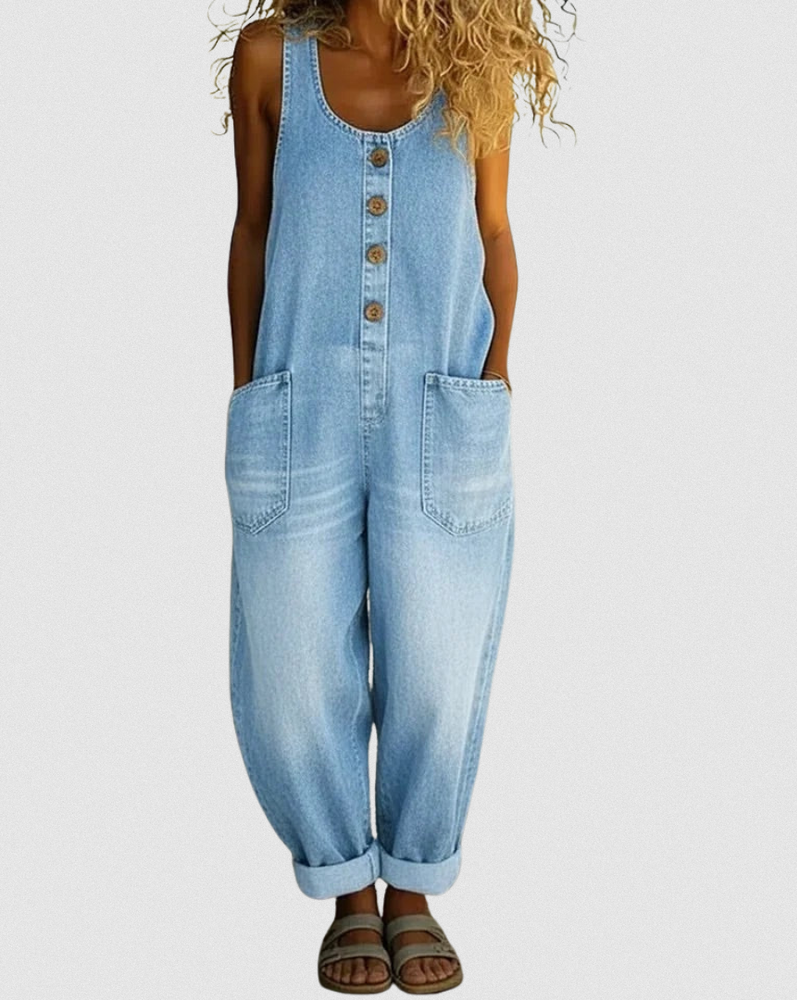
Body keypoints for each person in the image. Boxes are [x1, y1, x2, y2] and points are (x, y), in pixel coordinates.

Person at [215, 0, 567, 991]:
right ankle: (345, 889)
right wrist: (251, 391)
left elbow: (494, 231)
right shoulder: (270, 61)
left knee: (438, 665)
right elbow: (251, 229)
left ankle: (410, 886)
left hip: (441, 402)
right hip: (300, 401)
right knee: (291, 667)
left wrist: (492, 382)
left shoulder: (479, 63)